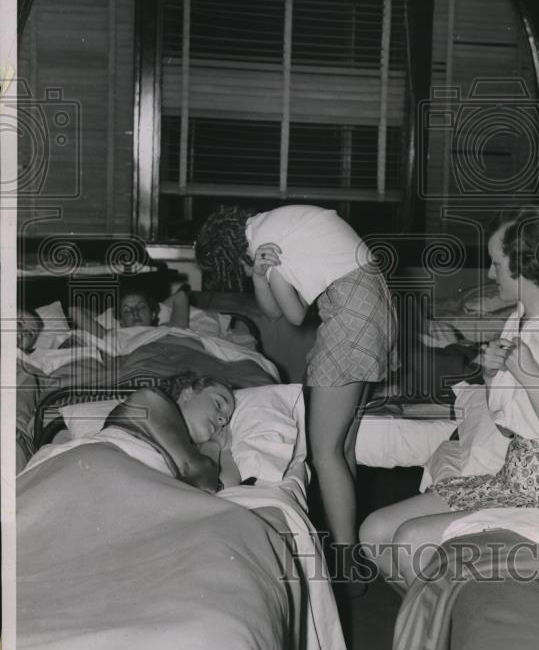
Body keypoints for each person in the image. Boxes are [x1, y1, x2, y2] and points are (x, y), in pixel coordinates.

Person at [359, 206, 539, 590]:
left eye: (496, 263)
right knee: (374, 532)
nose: (491, 274)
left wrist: (532, 381)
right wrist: (494, 375)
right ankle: (430, 620)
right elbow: (508, 430)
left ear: (525, 267)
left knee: (410, 542)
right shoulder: (522, 319)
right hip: (513, 477)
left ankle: (434, 635)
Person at [195, 204, 399, 584]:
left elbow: (292, 315)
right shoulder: (270, 227)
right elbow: (274, 312)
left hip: (351, 322)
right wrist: (260, 274)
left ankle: (345, 560)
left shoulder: (268, 240)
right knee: (341, 448)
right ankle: (348, 546)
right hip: (374, 312)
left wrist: (261, 269)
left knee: (323, 452)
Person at [99, 372, 239, 492]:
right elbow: (199, 479)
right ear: (188, 392)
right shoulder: (150, 400)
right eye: (218, 404)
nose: (223, 420)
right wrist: (212, 448)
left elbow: (225, 489)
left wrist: (224, 450)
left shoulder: (194, 455)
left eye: (227, 419)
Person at [70, 286, 191, 338]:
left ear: (153, 314)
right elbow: (74, 310)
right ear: (121, 322)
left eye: (141, 307)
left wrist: (156, 306)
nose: (135, 312)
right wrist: (109, 314)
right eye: (127, 311)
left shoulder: (169, 328)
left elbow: (180, 296)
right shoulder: (113, 335)